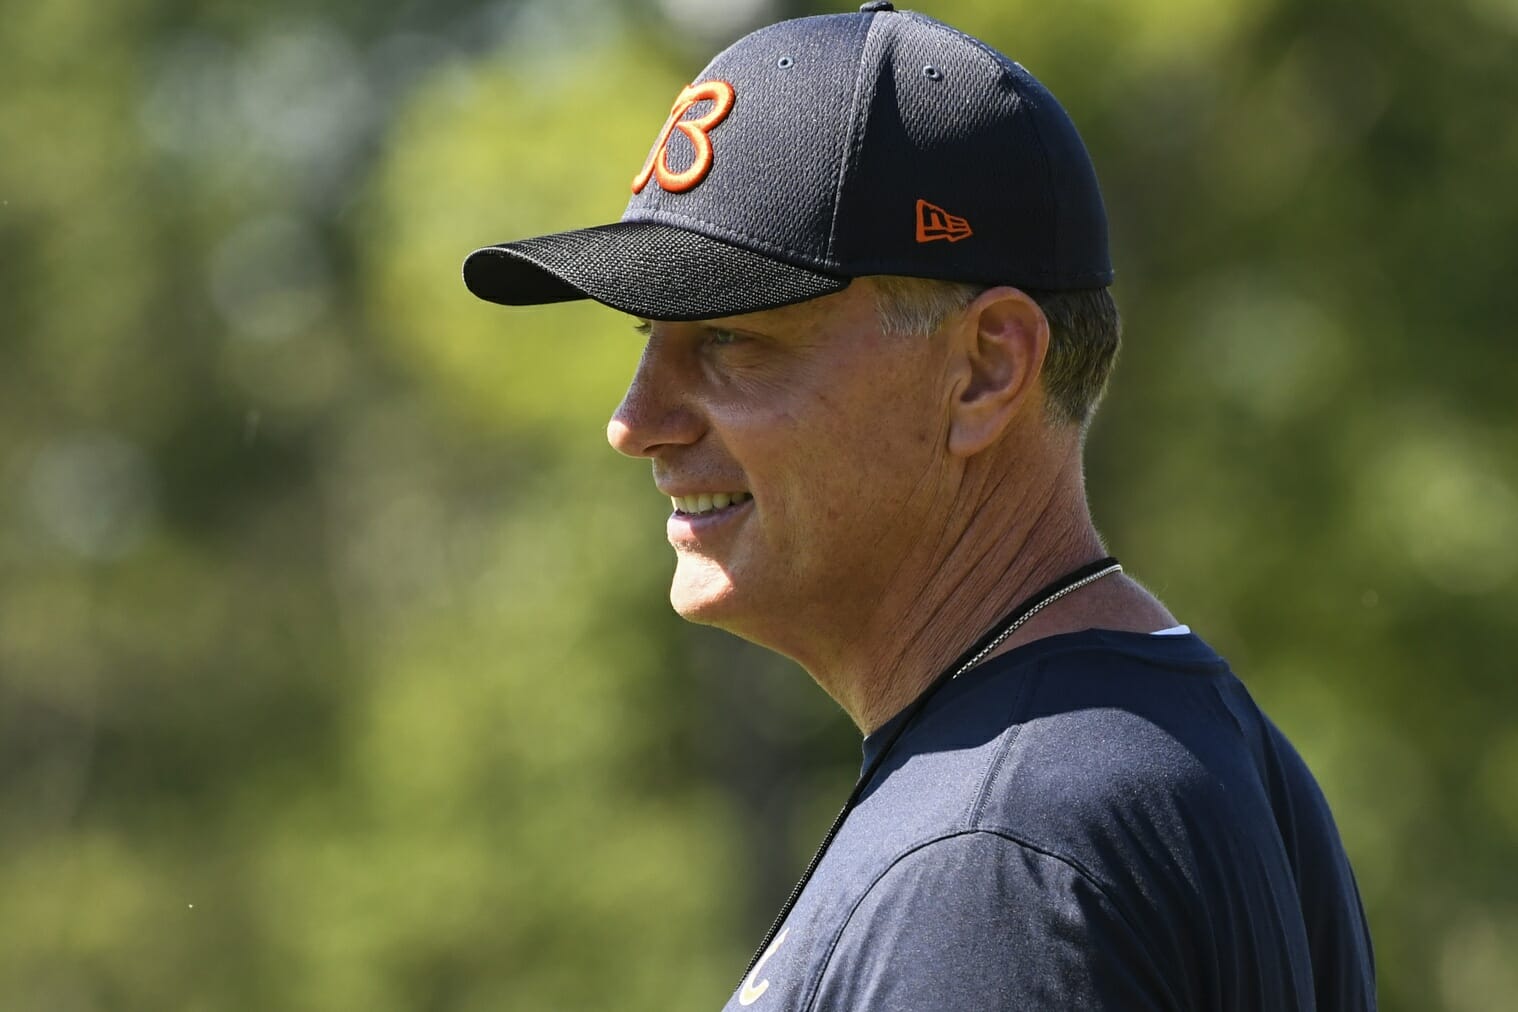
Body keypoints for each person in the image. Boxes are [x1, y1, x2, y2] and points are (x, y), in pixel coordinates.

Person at [462, 3, 1376, 1008]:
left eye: (726, 339)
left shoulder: (993, 858)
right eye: (647, 337)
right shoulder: (1194, 747)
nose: (635, 422)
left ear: (986, 369)